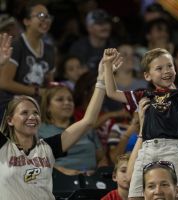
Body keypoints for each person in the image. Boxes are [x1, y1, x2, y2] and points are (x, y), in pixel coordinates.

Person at [104, 48, 178, 199]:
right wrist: (107, 66)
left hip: (172, 148)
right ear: (147, 76)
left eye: (170, 66)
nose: (167, 70)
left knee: (176, 196)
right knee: (134, 196)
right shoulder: (143, 95)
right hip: (146, 148)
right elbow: (111, 92)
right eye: (159, 68)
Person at [0, 49, 110, 199]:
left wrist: (102, 80)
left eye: (35, 113)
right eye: (24, 113)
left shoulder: (47, 149)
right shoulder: (3, 148)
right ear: (10, 120)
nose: (32, 116)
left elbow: (88, 121)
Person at [0, 2, 55, 119]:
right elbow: (4, 82)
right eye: (40, 15)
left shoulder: (50, 50)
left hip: (36, 107)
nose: (46, 20)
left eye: (48, 16)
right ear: (26, 21)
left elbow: (49, 85)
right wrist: (36, 91)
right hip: (10, 107)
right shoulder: (16, 46)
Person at [39, 84, 103, 174]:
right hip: (58, 180)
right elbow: (34, 162)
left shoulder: (85, 128)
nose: (67, 103)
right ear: (48, 107)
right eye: (60, 99)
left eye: (70, 100)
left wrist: (99, 173)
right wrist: (63, 172)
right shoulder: (39, 130)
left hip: (91, 178)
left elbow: (101, 157)